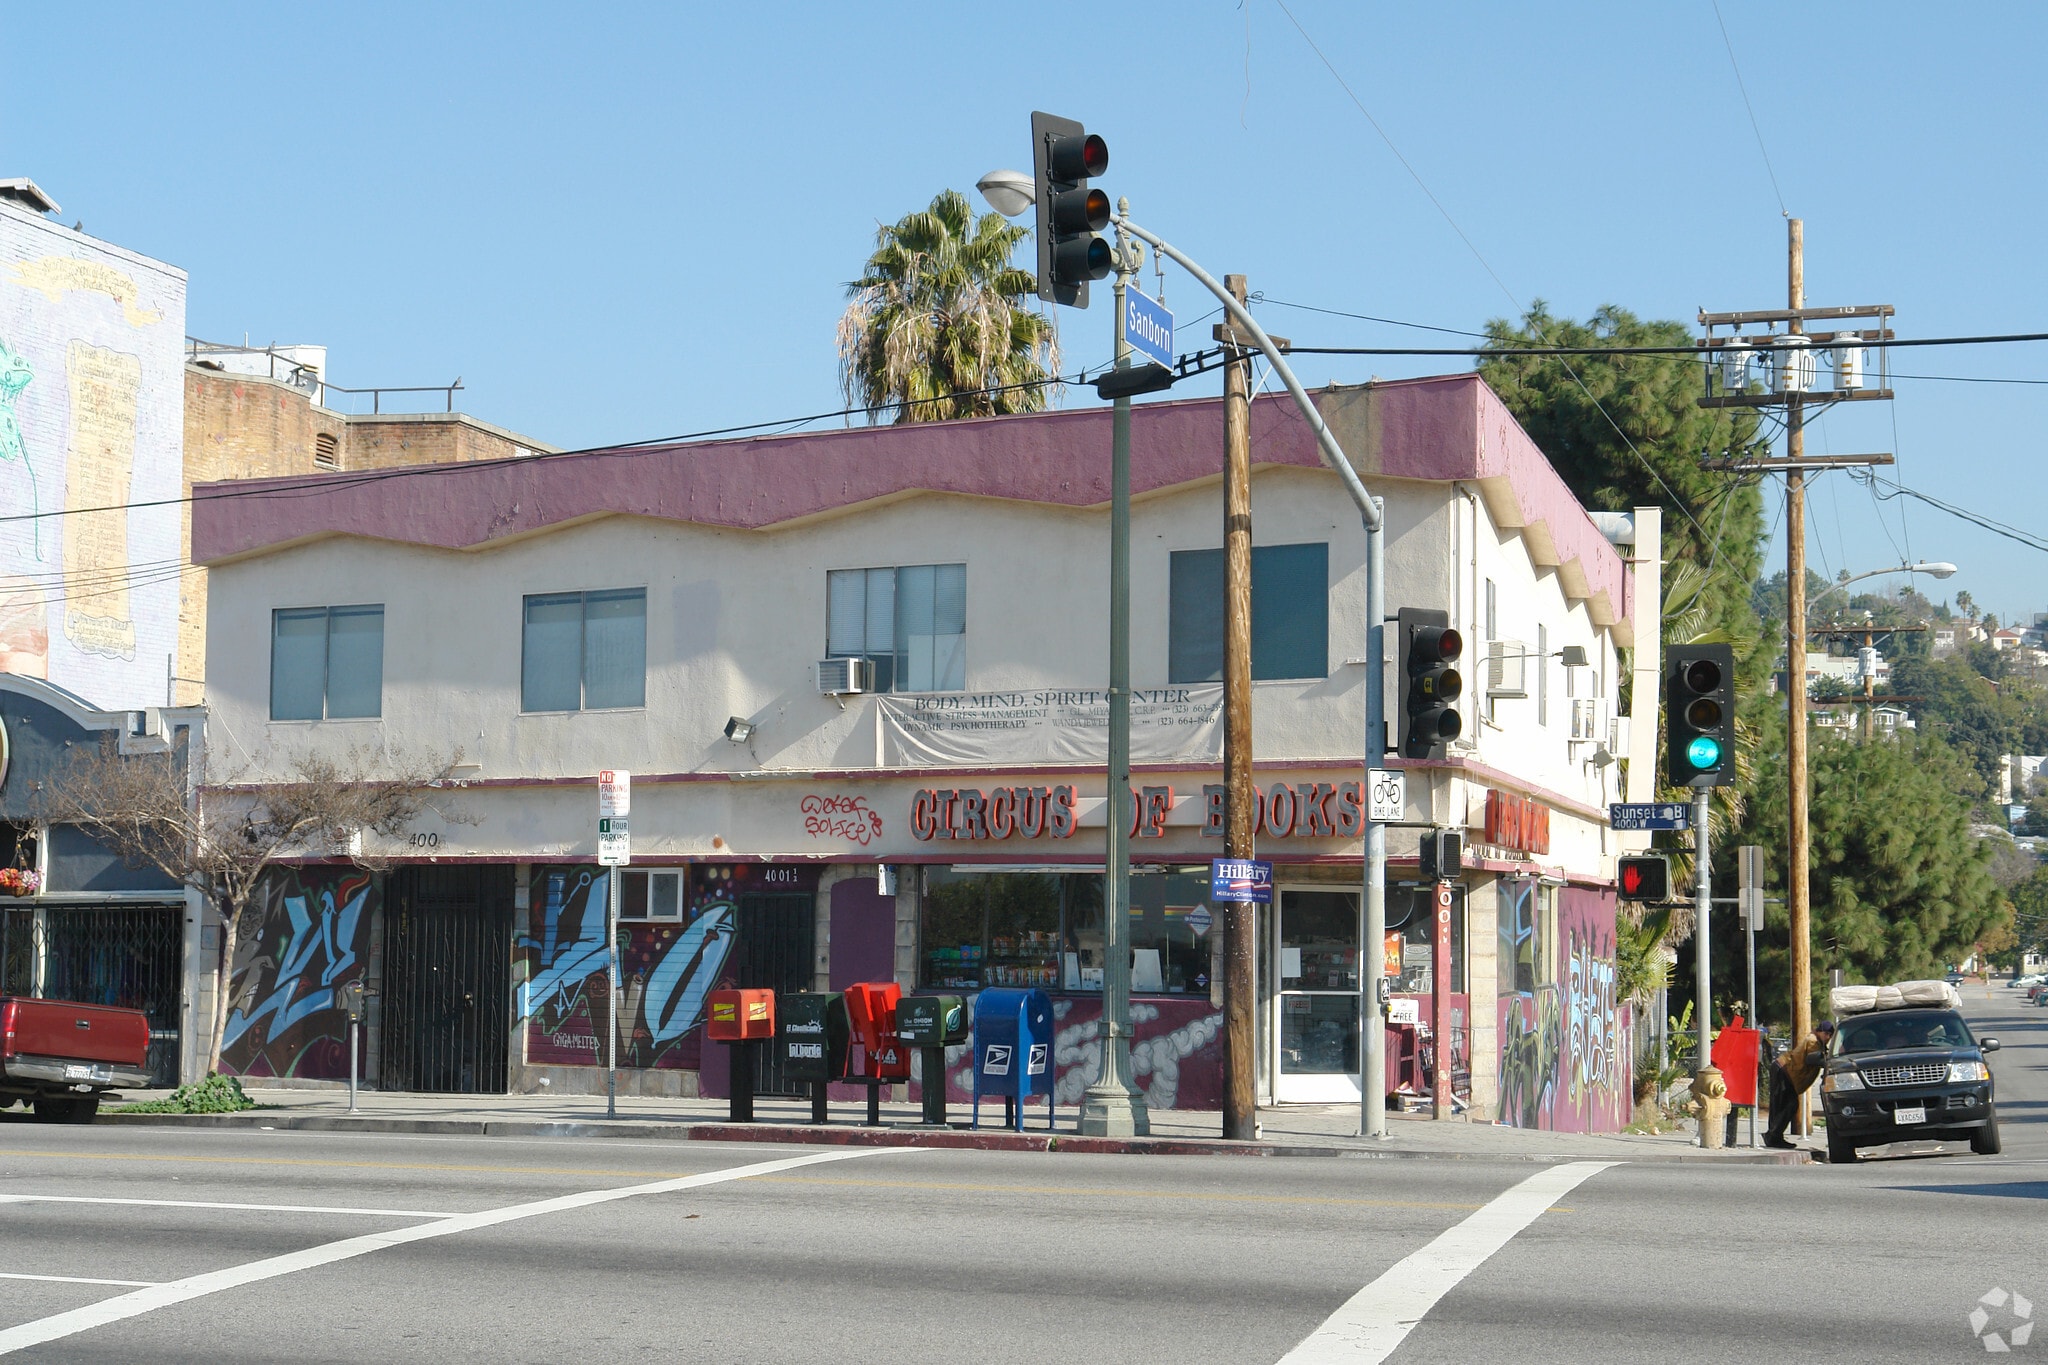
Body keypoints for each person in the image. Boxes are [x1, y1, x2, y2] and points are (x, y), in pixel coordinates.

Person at [1764, 1019, 1836, 1149]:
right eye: (1827, 1034)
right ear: (1820, 1032)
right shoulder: (1813, 1041)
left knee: (1784, 1105)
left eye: (1831, 1035)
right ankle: (1773, 1136)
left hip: (1787, 1074)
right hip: (1783, 1070)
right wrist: (1826, 1063)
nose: (1829, 1037)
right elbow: (1813, 1058)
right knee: (1787, 1105)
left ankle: (1774, 1136)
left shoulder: (1818, 1043)